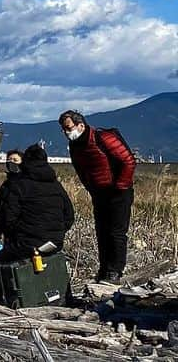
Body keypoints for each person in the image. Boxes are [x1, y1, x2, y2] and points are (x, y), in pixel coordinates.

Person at [59, 110, 137, 282]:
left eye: (68, 128)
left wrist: (120, 186)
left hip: (118, 192)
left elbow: (128, 161)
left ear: (81, 125)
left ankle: (115, 270)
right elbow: (80, 170)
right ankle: (104, 269)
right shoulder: (75, 146)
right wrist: (91, 188)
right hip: (99, 193)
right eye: (63, 129)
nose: (66, 132)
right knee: (102, 232)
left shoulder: (102, 138)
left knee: (116, 232)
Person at [0, 144, 74, 264]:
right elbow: (69, 216)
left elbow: (9, 218)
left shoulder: (18, 185)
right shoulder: (56, 185)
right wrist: (56, 232)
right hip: (55, 243)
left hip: (26, 244)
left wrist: (17, 234)